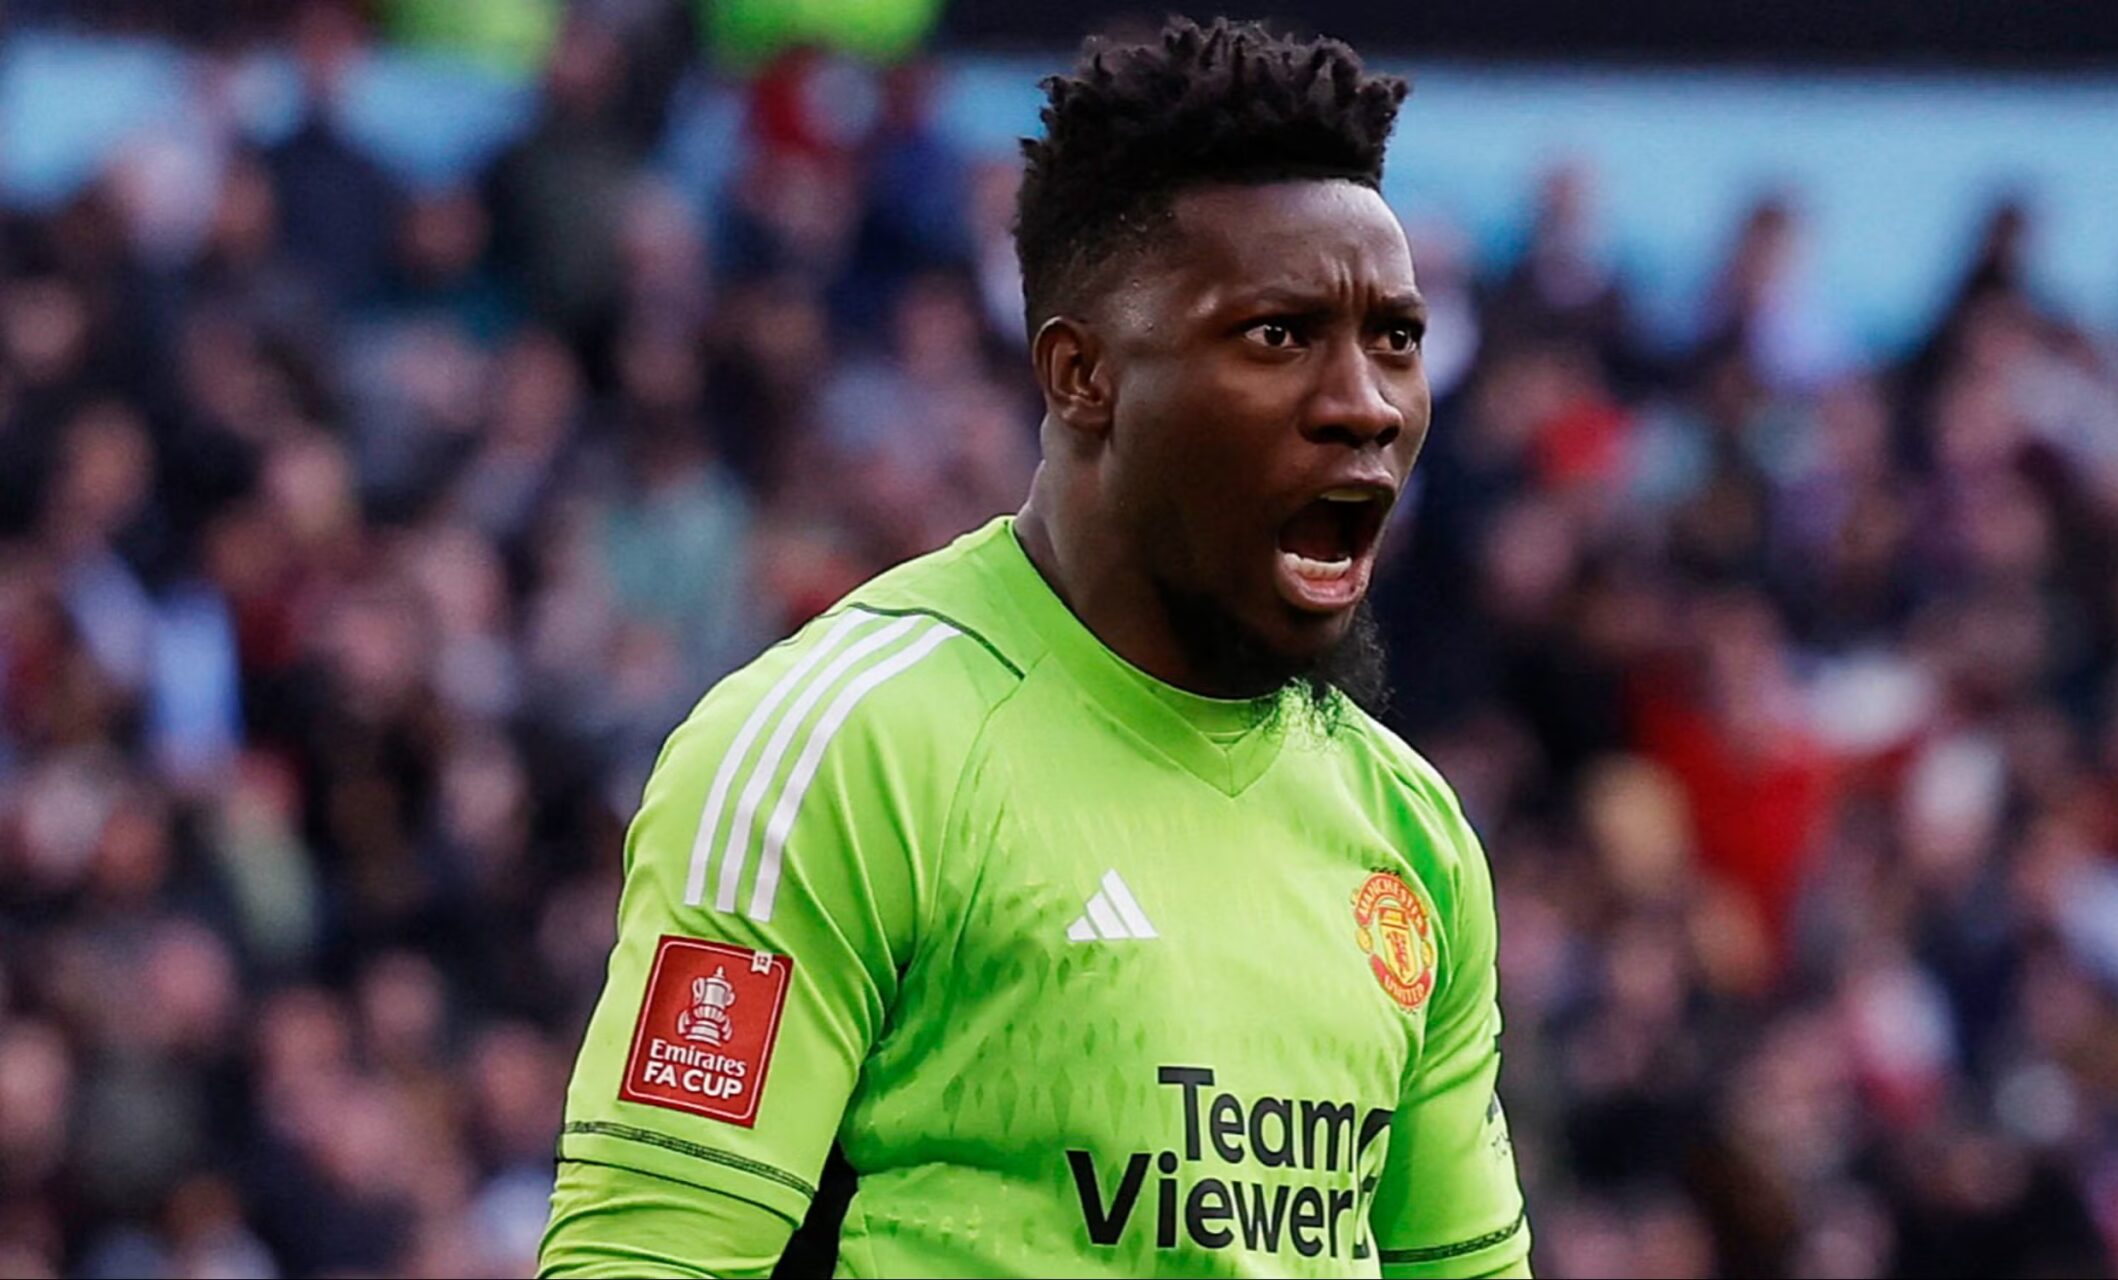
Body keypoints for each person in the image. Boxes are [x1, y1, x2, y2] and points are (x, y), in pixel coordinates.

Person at [537, 17, 1533, 1278]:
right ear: (1081, 375)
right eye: (1278, 334)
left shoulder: (1410, 831)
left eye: (1395, 338)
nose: (1366, 404)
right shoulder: (846, 746)